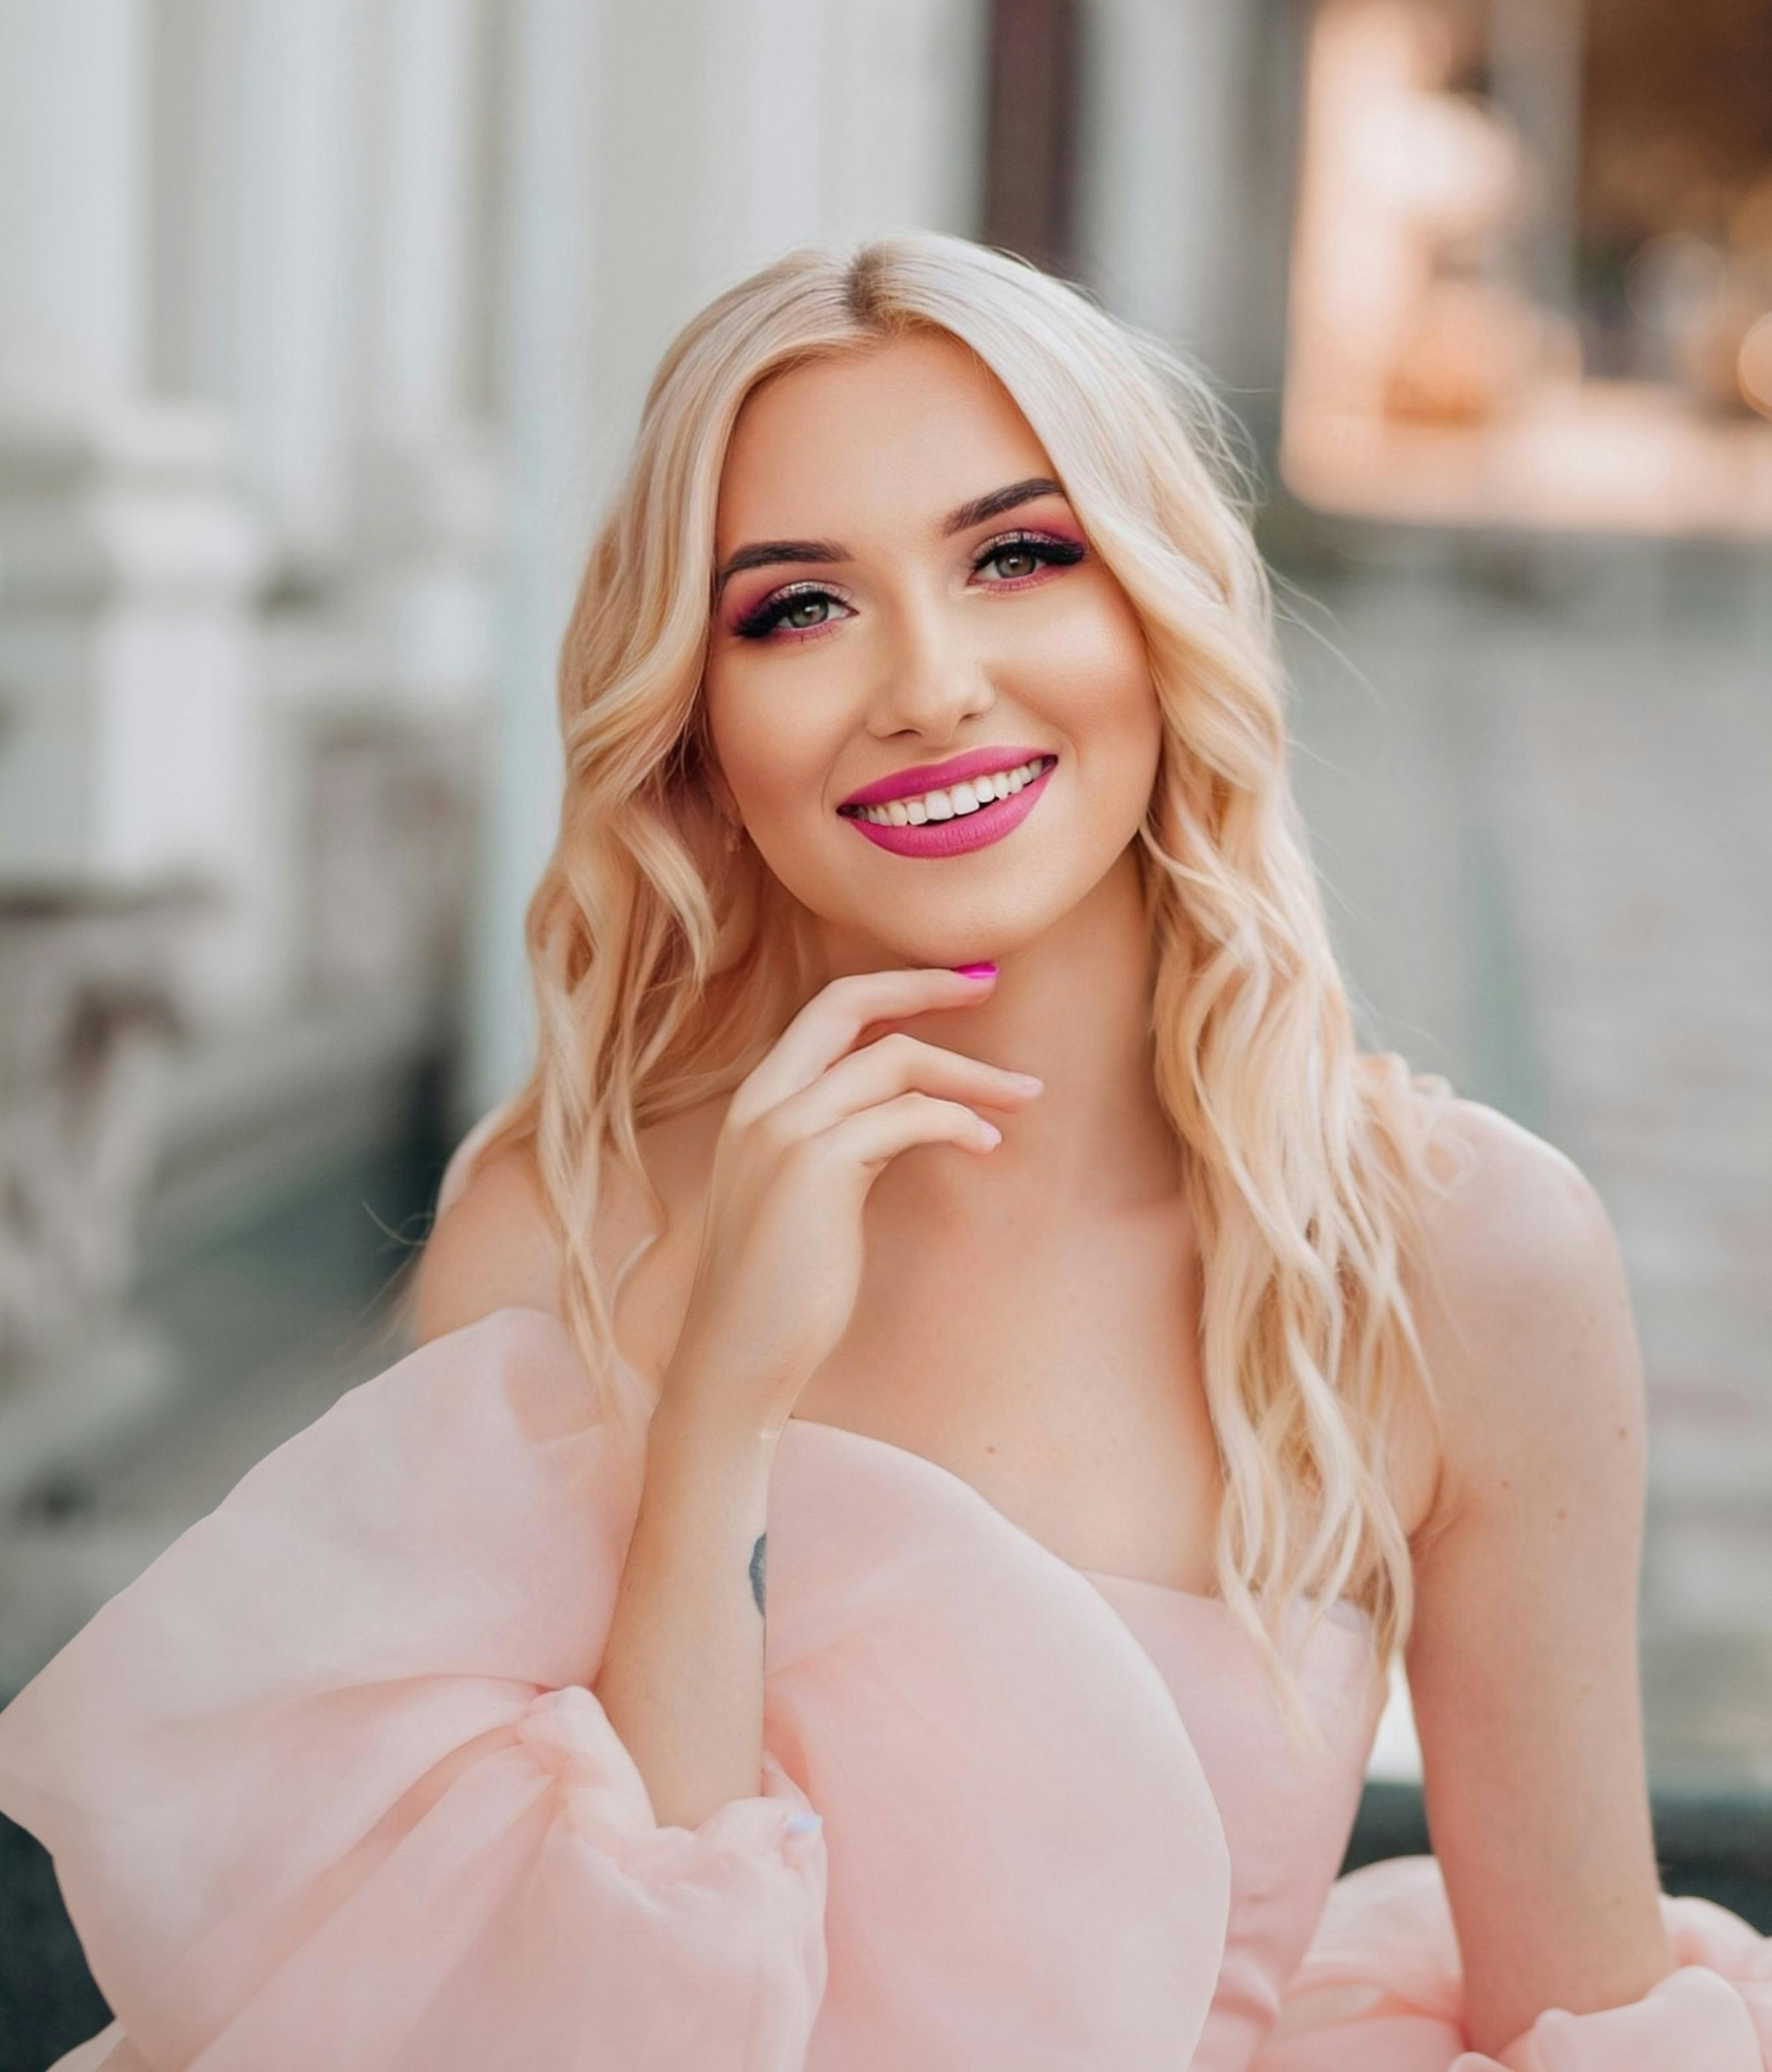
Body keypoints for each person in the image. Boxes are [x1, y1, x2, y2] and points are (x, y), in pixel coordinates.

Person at [1, 234, 1767, 2071]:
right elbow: (531, 2020)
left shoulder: (1460, 1254)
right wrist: (718, 1418)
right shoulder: (562, 1227)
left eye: (1018, 555)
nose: (928, 685)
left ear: (1158, 612)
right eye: (797, 609)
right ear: (696, 721)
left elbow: (1584, 2014)